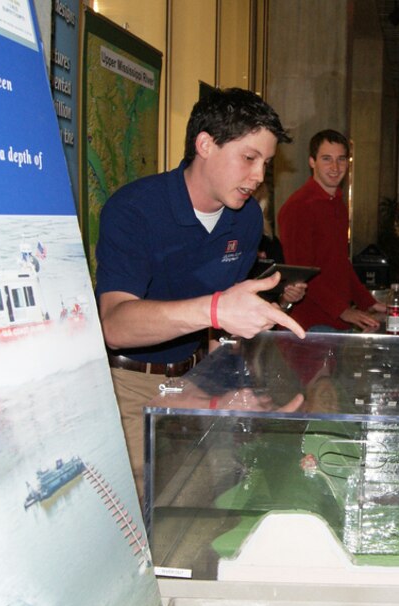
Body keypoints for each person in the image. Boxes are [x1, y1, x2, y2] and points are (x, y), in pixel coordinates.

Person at [95, 87, 307, 503]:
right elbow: (114, 325)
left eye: (266, 163)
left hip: (198, 379)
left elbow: (221, 318)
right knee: (140, 515)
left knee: (215, 499)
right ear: (205, 144)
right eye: (249, 158)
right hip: (131, 384)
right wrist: (215, 309)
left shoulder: (245, 220)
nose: (259, 177)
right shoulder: (134, 210)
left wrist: (231, 389)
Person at [278, 129, 385, 332]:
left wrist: (368, 303)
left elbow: (340, 263)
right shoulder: (299, 206)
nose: (335, 167)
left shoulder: (337, 203)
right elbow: (301, 273)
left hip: (336, 321)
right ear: (312, 162)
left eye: (341, 159)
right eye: (326, 159)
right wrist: (344, 311)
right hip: (310, 326)